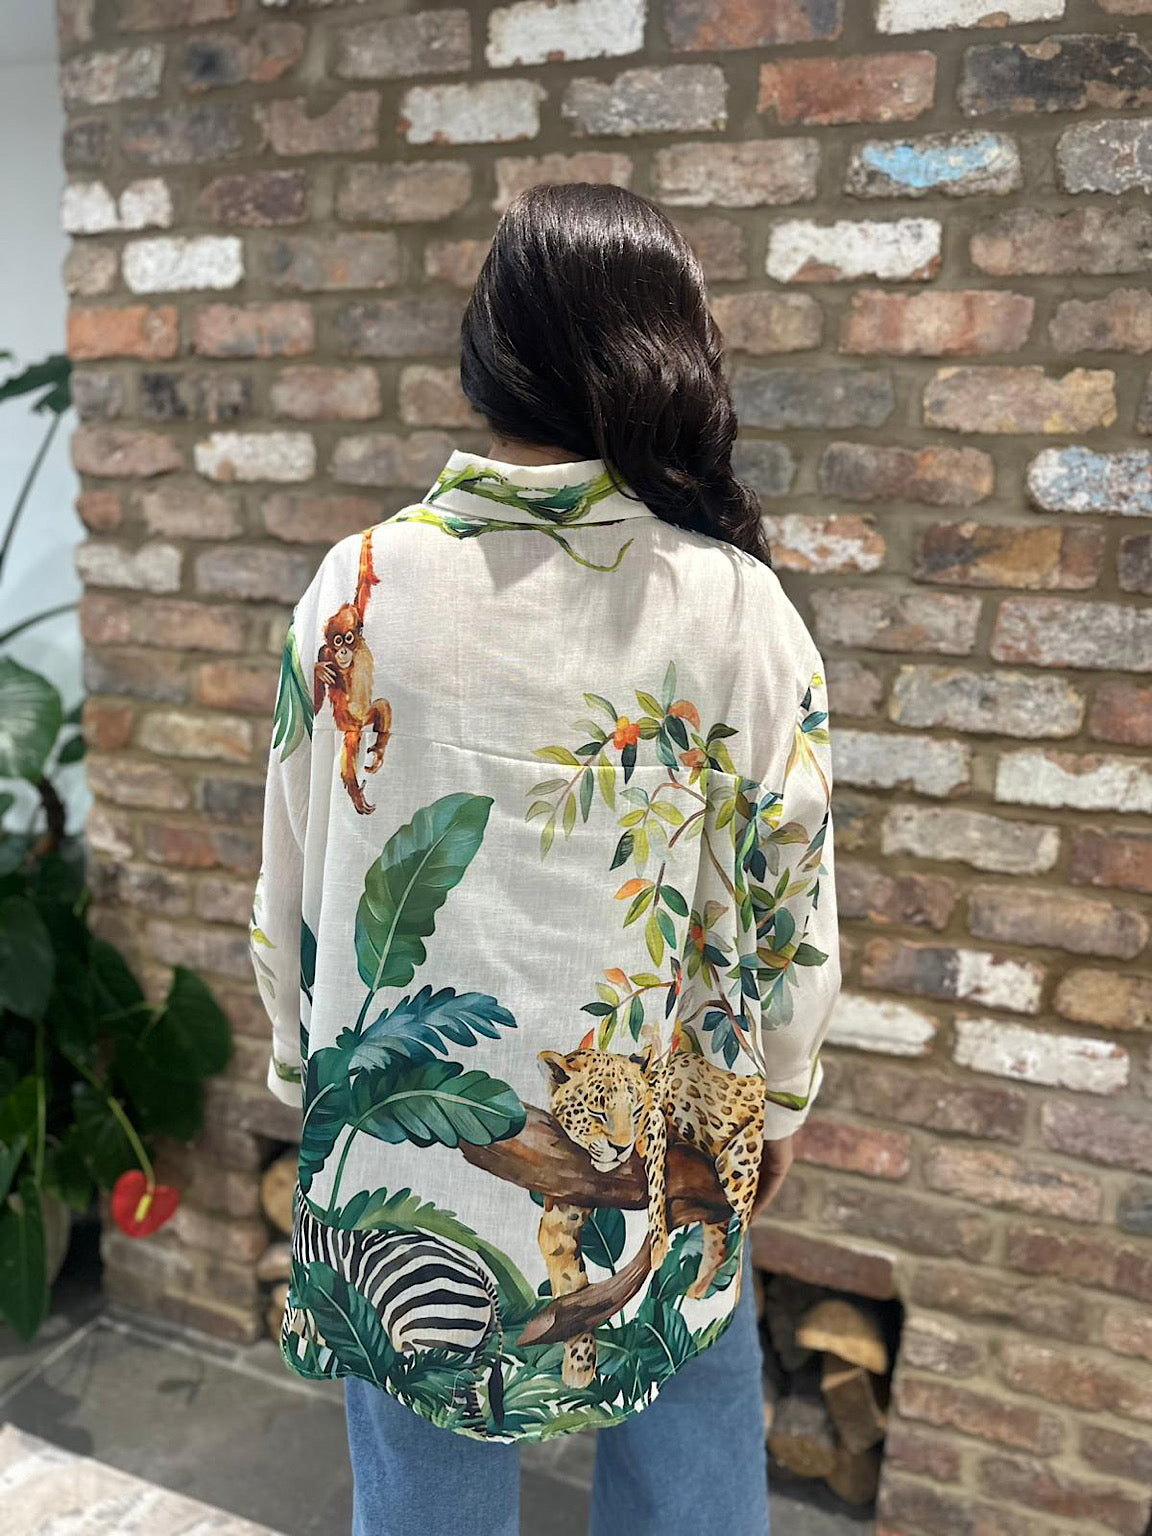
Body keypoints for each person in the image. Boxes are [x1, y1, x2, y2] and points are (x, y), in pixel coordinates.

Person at [250, 182, 841, 1536]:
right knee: (691, 1453)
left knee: (425, 1490)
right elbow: (786, 905)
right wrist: (783, 1099)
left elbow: (295, 869)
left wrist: (304, 1076)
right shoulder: (731, 604)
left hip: (405, 1136)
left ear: (486, 359)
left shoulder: (356, 587)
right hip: (672, 1136)